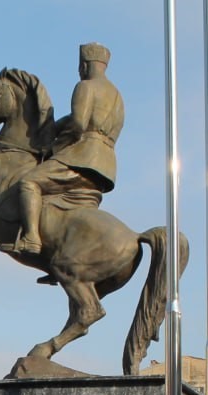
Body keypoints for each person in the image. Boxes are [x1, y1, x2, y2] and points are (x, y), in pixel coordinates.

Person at [8, 42, 123, 257]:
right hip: (106, 167)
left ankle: (31, 237)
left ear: (85, 65)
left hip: (82, 158)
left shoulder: (85, 87)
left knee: (29, 182)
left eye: (80, 66)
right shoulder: (117, 96)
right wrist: (57, 125)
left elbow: (79, 123)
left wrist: (55, 145)